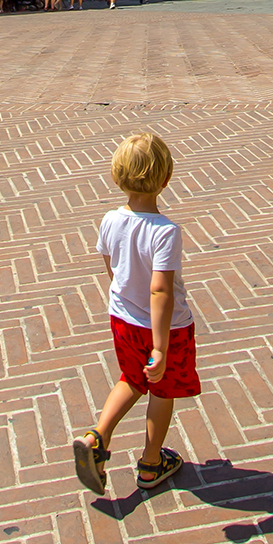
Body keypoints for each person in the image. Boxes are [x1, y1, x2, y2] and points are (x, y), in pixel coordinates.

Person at [73, 131, 198, 497]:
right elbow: (160, 291)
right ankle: (151, 462)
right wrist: (160, 347)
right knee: (162, 391)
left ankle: (97, 436)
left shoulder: (110, 220)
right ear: (165, 179)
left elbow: (112, 269)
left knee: (130, 378)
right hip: (165, 330)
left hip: (122, 318)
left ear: (117, 175)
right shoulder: (165, 232)